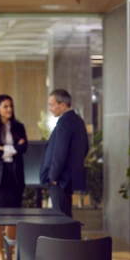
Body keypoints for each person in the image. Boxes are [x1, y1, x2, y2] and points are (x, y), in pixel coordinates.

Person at [0, 94, 28, 260]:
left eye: (10, 106)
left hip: (15, 176)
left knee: (13, 217)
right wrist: (13, 148)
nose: (9, 109)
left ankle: (10, 255)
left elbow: (24, 148)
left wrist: (3, 148)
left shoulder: (19, 127)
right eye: (5, 106)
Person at [40, 89, 89, 217]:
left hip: (60, 180)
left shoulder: (64, 122)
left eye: (52, 105)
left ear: (62, 105)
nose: (50, 109)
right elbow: (85, 148)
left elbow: (60, 153)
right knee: (66, 216)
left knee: (60, 218)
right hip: (69, 178)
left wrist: (54, 176)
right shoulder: (78, 121)